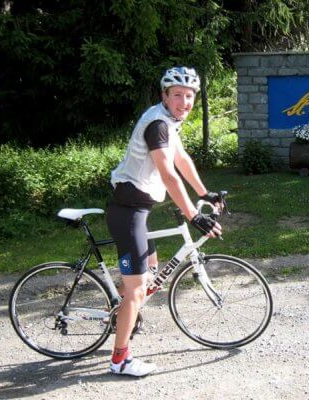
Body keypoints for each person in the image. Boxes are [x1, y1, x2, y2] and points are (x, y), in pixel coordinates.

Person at [106, 67, 222, 377]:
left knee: (150, 279)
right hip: (127, 211)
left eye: (189, 96)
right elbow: (169, 174)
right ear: (164, 96)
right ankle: (119, 360)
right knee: (135, 291)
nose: (184, 102)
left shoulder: (169, 121)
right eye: (178, 95)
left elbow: (182, 160)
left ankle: (123, 316)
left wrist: (205, 193)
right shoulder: (157, 125)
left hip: (140, 210)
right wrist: (193, 215)